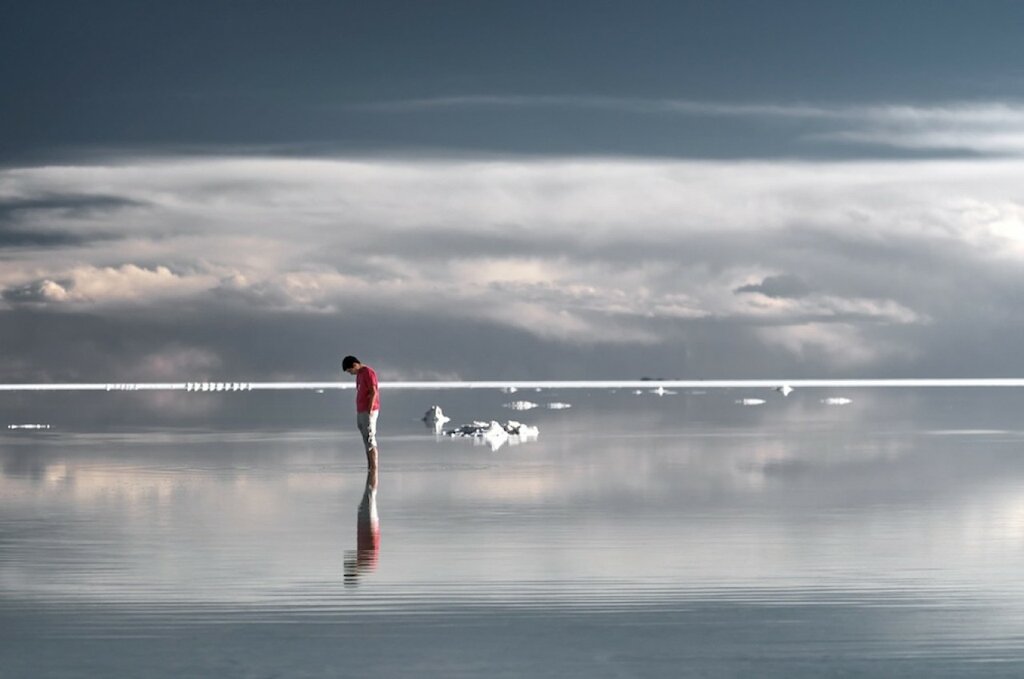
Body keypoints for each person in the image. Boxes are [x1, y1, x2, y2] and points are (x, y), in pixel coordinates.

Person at [342, 355, 379, 472]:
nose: (350, 373)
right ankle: (370, 466)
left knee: (370, 438)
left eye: (350, 371)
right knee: (365, 439)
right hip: (361, 411)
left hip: (368, 411)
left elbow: (374, 392)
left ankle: (374, 468)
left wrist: (369, 410)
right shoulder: (359, 375)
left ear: (354, 365)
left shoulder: (368, 372)